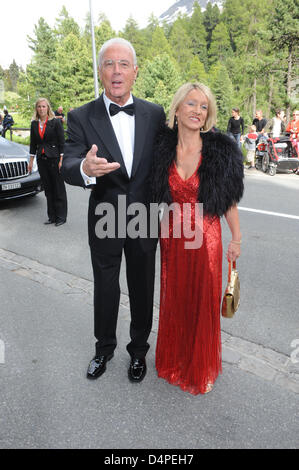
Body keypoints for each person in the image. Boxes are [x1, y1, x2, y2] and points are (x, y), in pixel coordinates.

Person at [61, 38, 166, 383]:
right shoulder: (80, 116)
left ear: (135, 72)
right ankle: (103, 348)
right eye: (109, 64)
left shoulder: (154, 113)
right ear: (101, 72)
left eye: (123, 64)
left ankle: (138, 352)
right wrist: (84, 170)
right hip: (105, 215)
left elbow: (168, 159)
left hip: (144, 217)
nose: (116, 71)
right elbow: (69, 163)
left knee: (141, 286)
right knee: (106, 286)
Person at [152, 83, 244, 395]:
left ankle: (199, 367)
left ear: (208, 116)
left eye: (203, 107)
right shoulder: (162, 150)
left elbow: (228, 200)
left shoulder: (218, 151)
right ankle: (174, 361)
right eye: (190, 104)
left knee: (202, 302)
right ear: (177, 110)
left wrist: (237, 239)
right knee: (176, 299)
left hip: (207, 238)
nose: (197, 111)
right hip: (173, 237)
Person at [29, 98, 67, 226]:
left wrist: (62, 160)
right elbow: (33, 144)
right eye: (39, 106)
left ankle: (61, 217)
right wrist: (31, 161)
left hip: (55, 158)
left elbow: (62, 142)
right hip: (42, 159)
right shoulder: (34, 124)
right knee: (48, 189)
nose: (41, 109)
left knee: (58, 188)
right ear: (36, 109)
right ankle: (52, 217)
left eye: (44, 106)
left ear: (48, 108)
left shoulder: (55, 122)